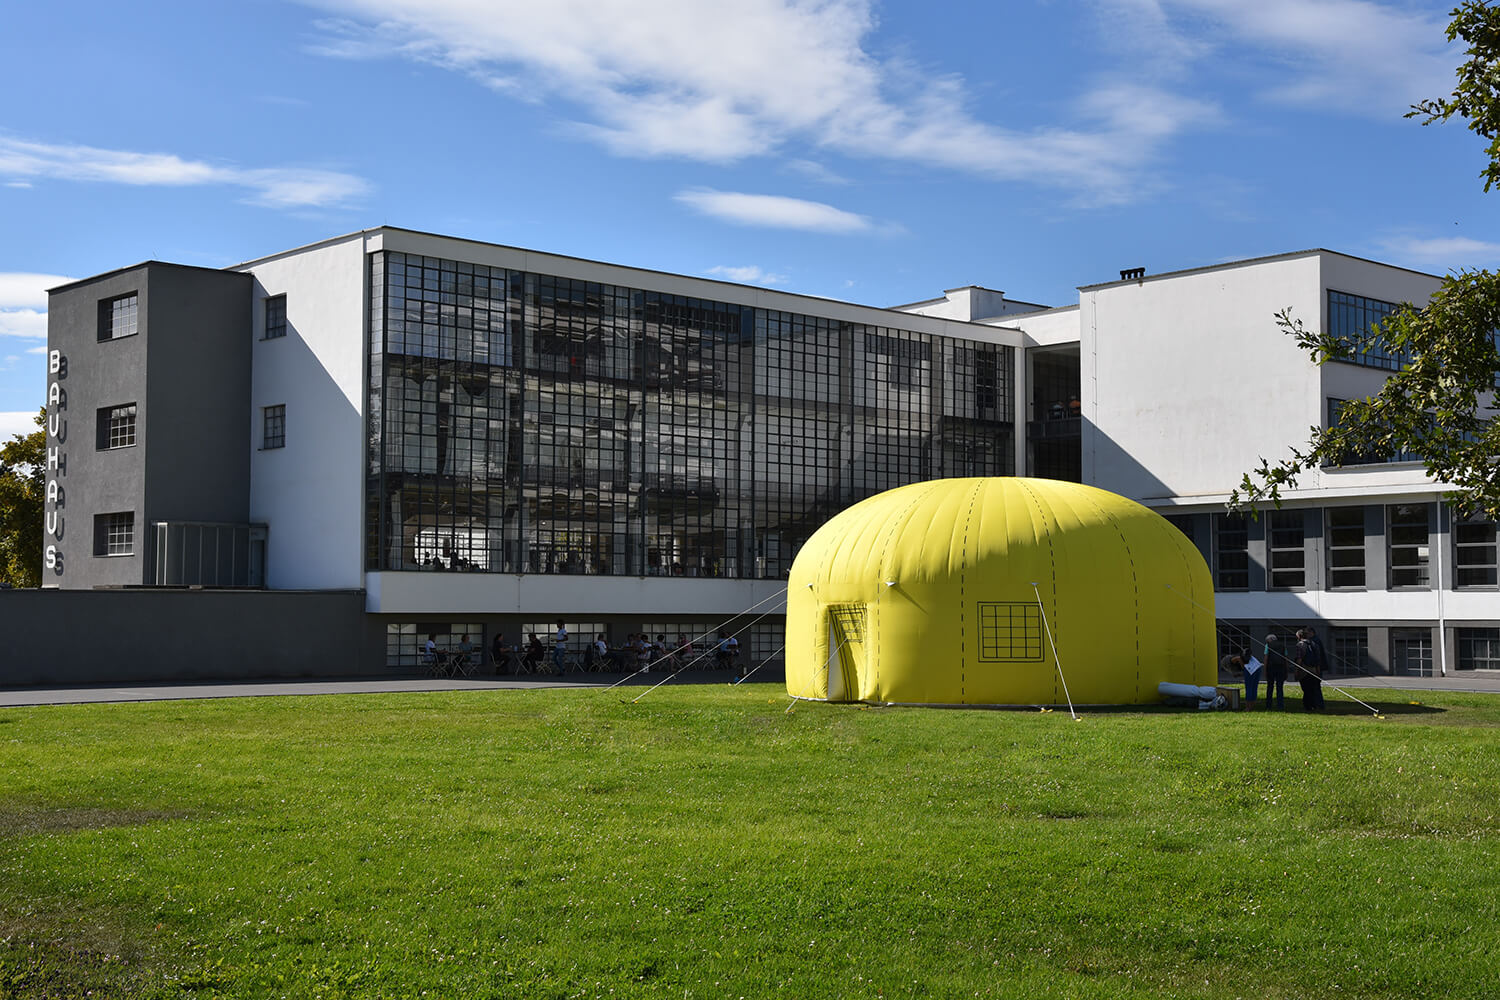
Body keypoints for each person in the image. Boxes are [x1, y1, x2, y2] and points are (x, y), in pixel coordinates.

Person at [1295, 626, 1326, 711]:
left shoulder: (1300, 645)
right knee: (1313, 688)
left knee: (1306, 689)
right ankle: (1315, 705)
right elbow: (1318, 658)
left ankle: (1308, 706)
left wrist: (1297, 671)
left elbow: (1299, 659)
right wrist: (1318, 670)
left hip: (1304, 670)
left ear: (1300, 637)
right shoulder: (1314, 644)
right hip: (1314, 670)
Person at [1261, 633, 1288, 710]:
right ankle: (1280, 706)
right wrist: (1286, 670)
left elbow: (1266, 658)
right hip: (1281, 668)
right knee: (1279, 687)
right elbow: (1285, 659)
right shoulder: (1283, 645)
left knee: (1270, 687)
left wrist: (1265, 670)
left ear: (1270, 639)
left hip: (1271, 668)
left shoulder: (1268, 646)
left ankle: (1268, 705)